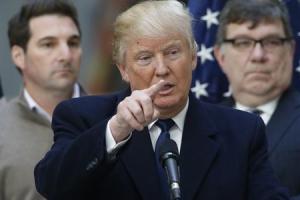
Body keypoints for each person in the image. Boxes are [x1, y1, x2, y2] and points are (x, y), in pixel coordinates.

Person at [34, 1, 288, 199]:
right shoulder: (83, 118)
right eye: (145, 58)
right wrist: (115, 130)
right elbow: (52, 185)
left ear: (193, 58)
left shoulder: (242, 131)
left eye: (173, 52)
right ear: (123, 69)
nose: (162, 69)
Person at [214, 0, 300, 199]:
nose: (258, 55)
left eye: (271, 42)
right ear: (220, 57)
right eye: (243, 43)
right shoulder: (198, 124)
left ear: (290, 51)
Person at [0, 0, 84, 200]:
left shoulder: (114, 118)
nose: (65, 55)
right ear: (19, 56)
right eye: (48, 44)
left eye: (72, 43)